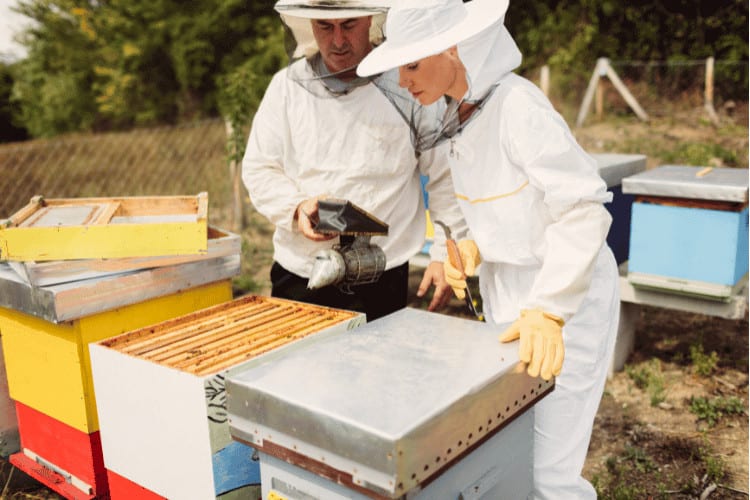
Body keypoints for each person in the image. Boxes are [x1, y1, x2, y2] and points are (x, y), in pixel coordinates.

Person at [357, 0, 620, 498]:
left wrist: (550, 309)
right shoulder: (462, 113)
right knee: (513, 444)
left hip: (564, 297)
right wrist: (475, 246)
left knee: (548, 470)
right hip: (509, 292)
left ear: (452, 48)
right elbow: (508, 201)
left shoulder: (519, 107)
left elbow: (584, 208)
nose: (405, 79)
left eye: (411, 63)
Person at [242, 0, 467, 321]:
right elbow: (259, 168)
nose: (337, 41)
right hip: (302, 270)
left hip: (383, 272)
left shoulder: (407, 84)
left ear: (371, 21)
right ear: (308, 25)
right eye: (325, 26)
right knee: (297, 370)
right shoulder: (286, 88)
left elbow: (446, 175)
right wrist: (297, 207)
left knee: (378, 370)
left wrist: (446, 253)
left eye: (348, 25)